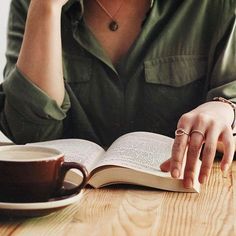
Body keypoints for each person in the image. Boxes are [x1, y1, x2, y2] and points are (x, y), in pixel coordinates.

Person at [0, 0, 236, 189]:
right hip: (66, 202)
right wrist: (45, 7)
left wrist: (224, 108)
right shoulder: (28, 3)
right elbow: (33, 138)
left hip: (187, 199)